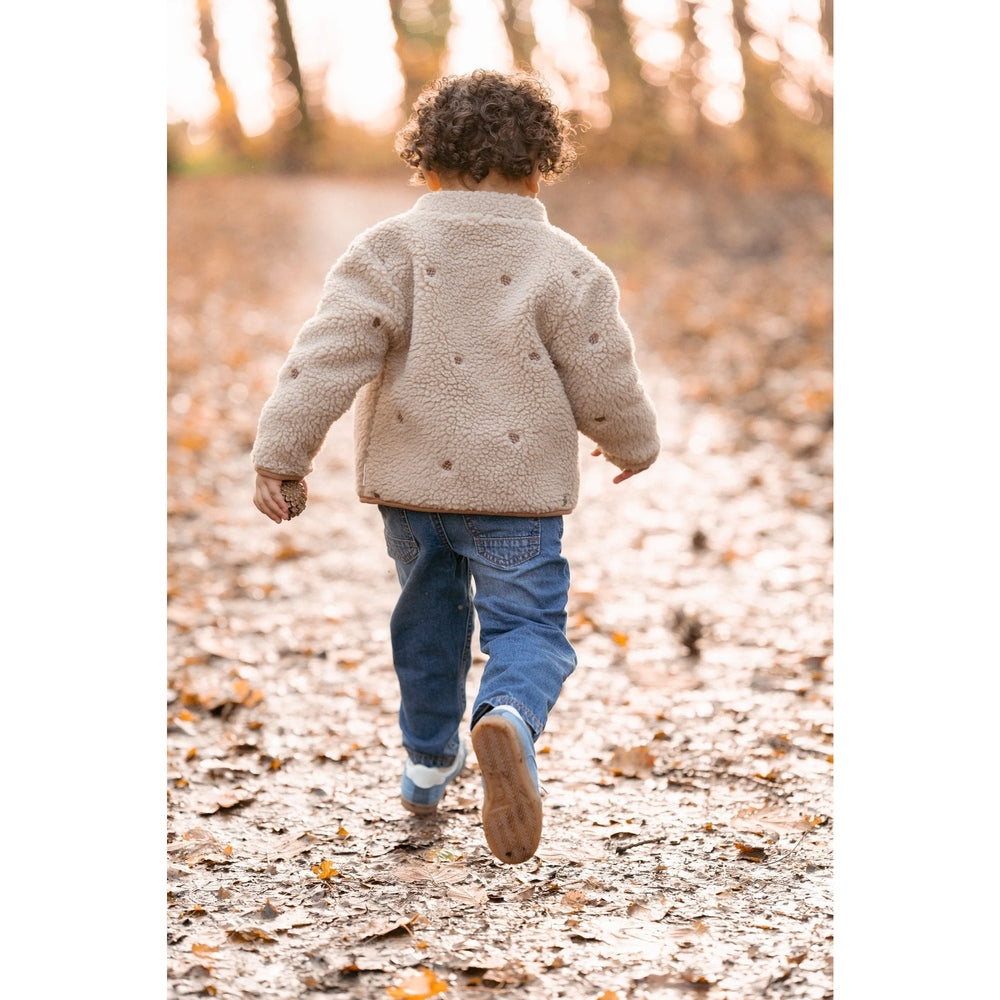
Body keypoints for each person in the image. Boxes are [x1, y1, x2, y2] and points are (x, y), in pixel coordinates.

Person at [252, 69, 660, 865]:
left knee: (429, 620)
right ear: (540, 166)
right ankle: (505, 713)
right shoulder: (568, 264)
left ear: (426, 164)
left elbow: (327, 354)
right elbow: (604, 372)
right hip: (517, 500)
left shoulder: (389, 249)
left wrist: (282, 455)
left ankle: (429, 761)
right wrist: (632, 443)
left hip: (414, 499)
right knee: (530, 629)